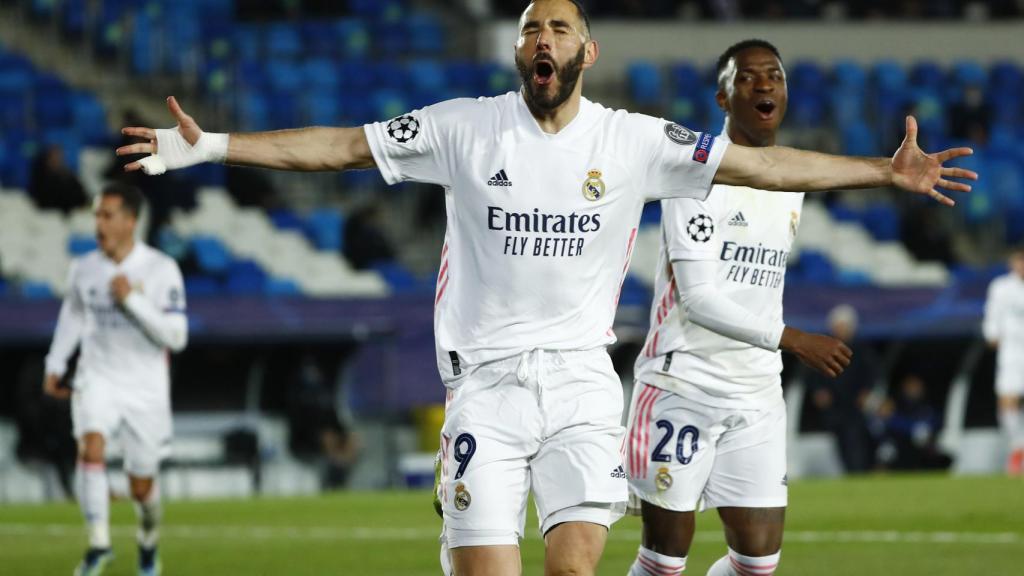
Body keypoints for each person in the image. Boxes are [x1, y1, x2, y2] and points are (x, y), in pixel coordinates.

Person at [114, 2, 974, 573]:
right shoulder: (462, 127)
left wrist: (879, 171)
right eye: (531, 29)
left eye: (560, 28)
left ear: (586, 51)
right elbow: (338, 146)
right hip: (484, 386)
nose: (544, 41)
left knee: (573, 565)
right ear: (519, 50)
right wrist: (215, 145)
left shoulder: (635, 139)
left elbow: (766, 163)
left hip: (581, 384)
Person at [624, 40, 852, 576]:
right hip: (683, 387)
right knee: (664, 558)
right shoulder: (694, 174)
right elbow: (699, 299)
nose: (764, 85)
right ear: (724, 99)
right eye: (747, 78)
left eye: (774, 75)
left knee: (757, 561)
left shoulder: (790, 184)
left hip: (756, 392)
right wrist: (792, 338)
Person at [43, 183, 188, 576]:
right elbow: (73, 316)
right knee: (91, 446)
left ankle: (148, 541)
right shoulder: (84, 268)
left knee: (141, 487)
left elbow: (177, 337)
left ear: (130, 221)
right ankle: (98, 544)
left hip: (145, 389)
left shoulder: (160, 270)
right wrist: (55, 363)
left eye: (107, 215)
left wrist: (132, 301)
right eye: (96, 215)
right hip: (98, 377)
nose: (98, 224)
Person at [806, 304, 879, 473]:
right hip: (833, 408)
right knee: (837, 444)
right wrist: (819, 391)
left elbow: (872, 374)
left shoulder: (861, 351)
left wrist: (866, 392)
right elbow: (813, 374)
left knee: (855, 441)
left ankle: (857, 473)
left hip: (853, 406)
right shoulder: (823, 349)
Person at [983, 247, 1024, 475]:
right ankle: (1018, 448)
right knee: (1008, 400)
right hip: (1012, 351)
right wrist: (992, 334)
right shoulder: (1001, 287)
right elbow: (993, 314)